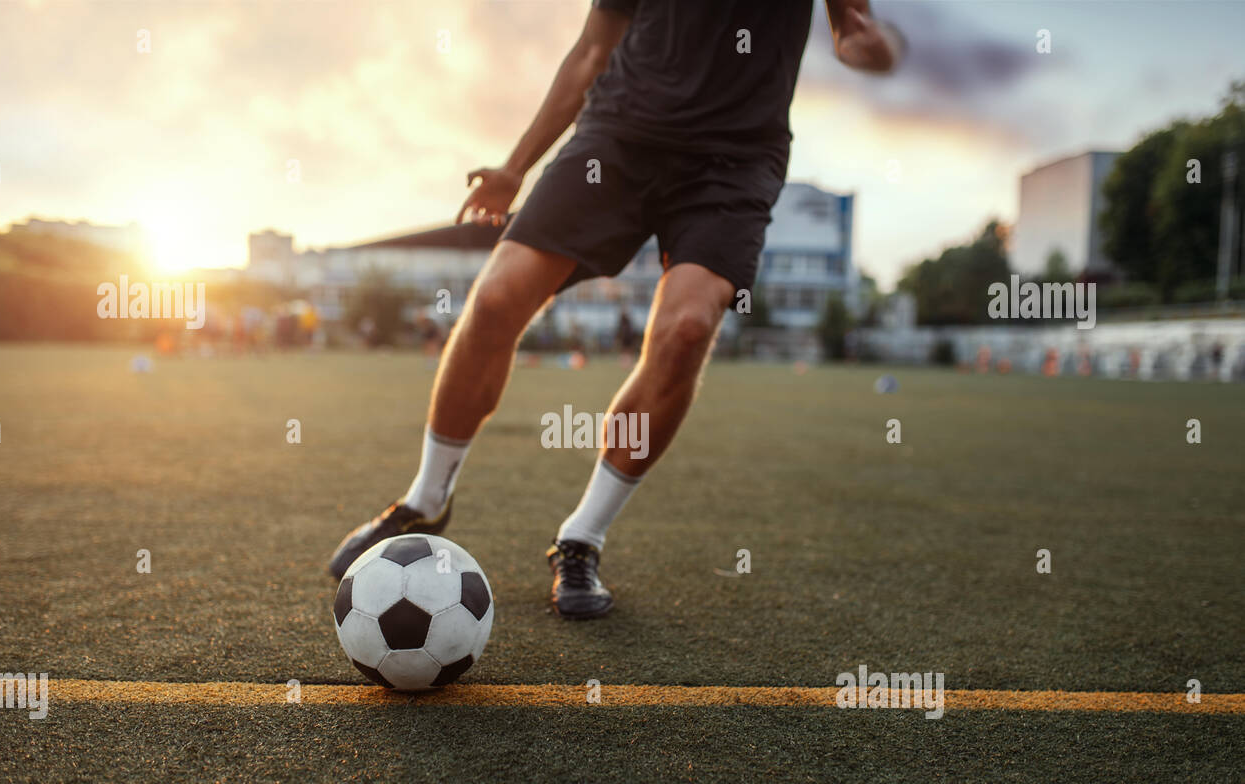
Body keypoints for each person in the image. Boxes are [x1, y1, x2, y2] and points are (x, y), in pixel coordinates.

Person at [329, 0, 903, 618]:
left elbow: (852, 27)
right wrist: (515, 167)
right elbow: (591, 52)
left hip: (732, 163)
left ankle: (581, 538)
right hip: (619, 138)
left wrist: (870, 48)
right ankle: (425, 497)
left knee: (686, 330)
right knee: (495, 299)